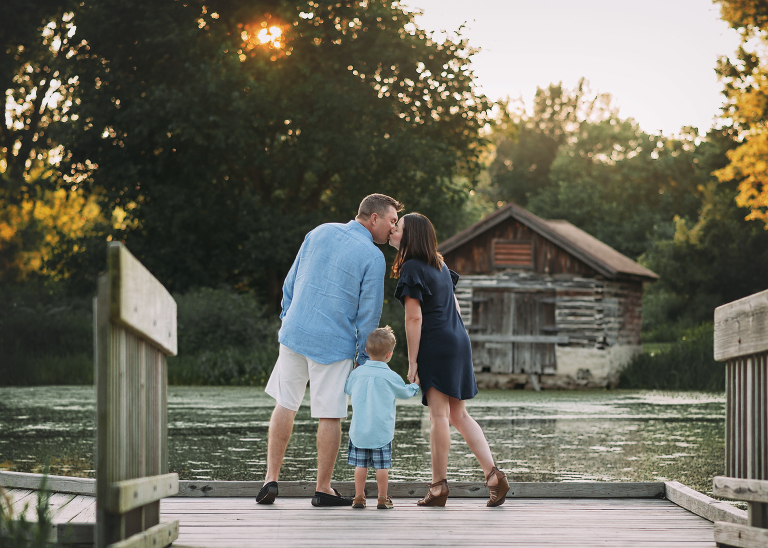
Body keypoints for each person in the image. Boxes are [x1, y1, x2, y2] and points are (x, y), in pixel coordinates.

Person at [257, 194, 403, 507]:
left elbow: (290, 283)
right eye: (391, 221)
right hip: (334, 344)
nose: (393, 228)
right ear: (374, 218)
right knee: (330, 414)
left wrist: (288, 318)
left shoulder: (319, 231)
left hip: (294, 334)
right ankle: (323, 488)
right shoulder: (374, 256)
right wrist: (364, 358)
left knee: (285, 403)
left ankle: (270, 479)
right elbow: (369, 315)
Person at [389, 212, 509, 507]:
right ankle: (494, 475)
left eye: (398, 227)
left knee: (439, 416)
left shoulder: (412, 267)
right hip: (457, 339)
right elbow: (455, 306)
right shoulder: (440, 265)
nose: (393, 230)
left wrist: (413, 362)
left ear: (410, 236)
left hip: (436, 342)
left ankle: (438, 486)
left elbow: (414, 318)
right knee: (459, 415)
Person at [344, 326, 420, 509]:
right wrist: (415, 385)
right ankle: (382, 498)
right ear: (389, 354)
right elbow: (405, 393)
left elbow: (347, 389)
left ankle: (359, 497)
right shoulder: (391, 376)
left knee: (360, 466)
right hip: (381, 432)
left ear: (366, 350)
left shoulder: (357, 373)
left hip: (359, 431)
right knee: (382, 467)